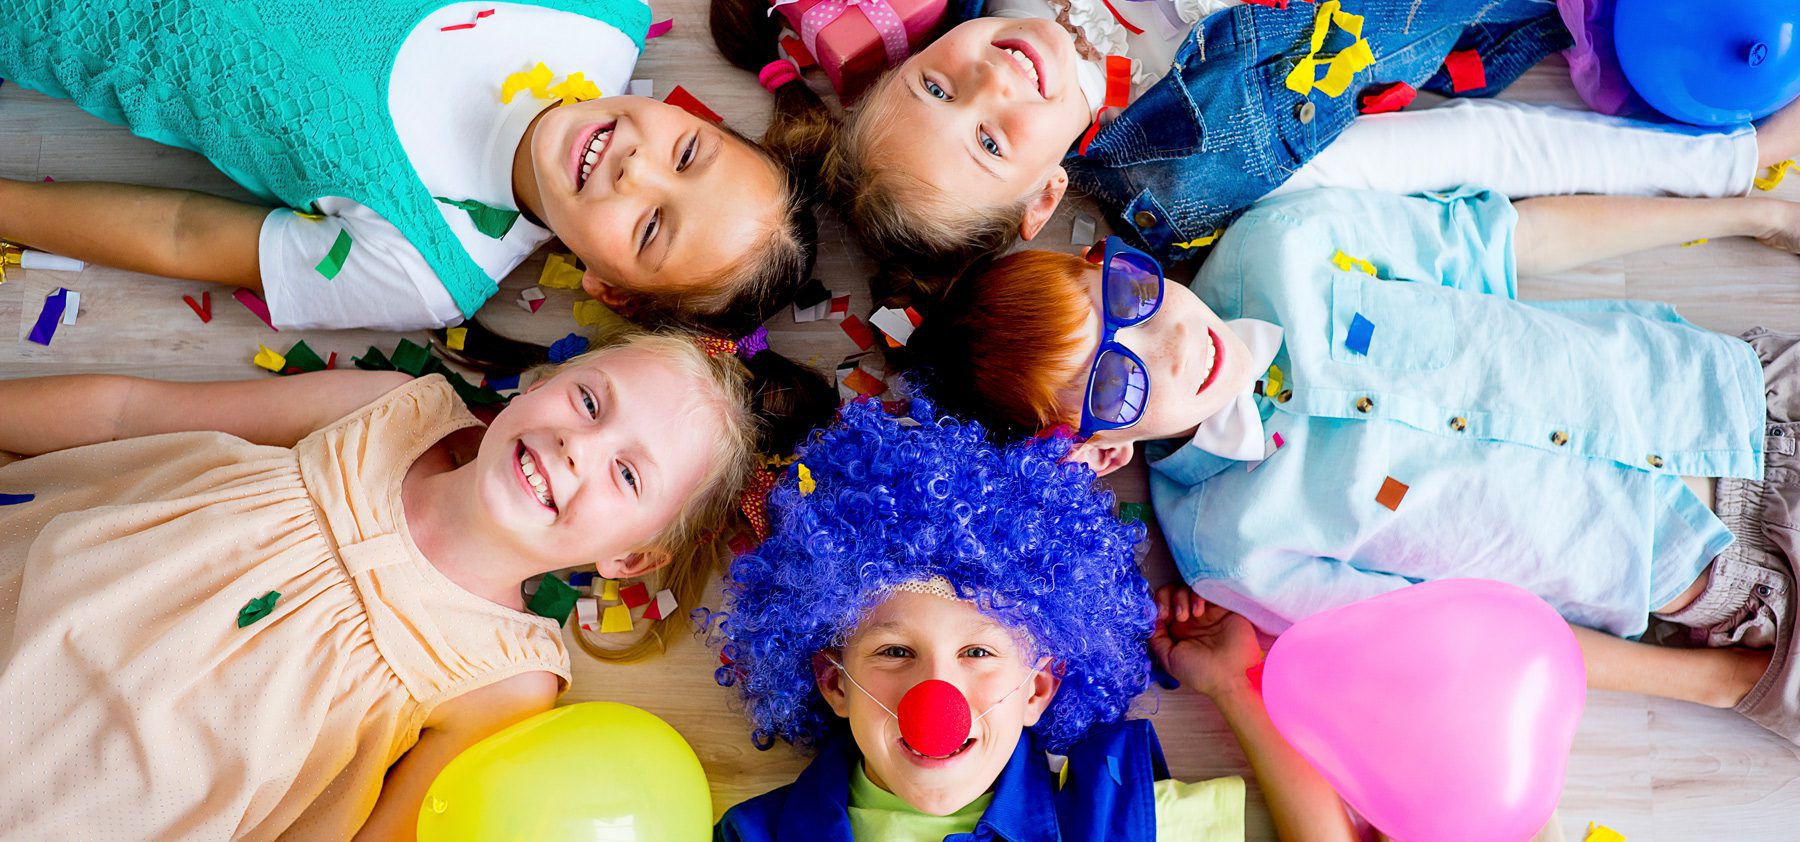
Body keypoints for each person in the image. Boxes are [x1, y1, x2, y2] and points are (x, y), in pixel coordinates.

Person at [902, 187, 1800, 743]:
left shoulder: (1281, 246)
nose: (1171, 340)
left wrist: (1749, 210)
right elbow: (1481, 635)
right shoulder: (1235, 548)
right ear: (1101, 452)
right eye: (1115, 378)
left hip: (1740, 392)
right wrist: (1722, 690)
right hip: (1719, 579)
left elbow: (1508, 243)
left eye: (1128, 298)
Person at [0, 329, 818, 838]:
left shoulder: (510, 676)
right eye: (590, 401)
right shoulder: (390, 412)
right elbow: (132, 412)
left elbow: (383, 832)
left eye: (629, 475)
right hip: (49, 600)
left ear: (632, 560)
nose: (578, 446)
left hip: (132, 798)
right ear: (536, 385)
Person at [711, 0, 1800, 299]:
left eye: (935, 83)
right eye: (991, 138)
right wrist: (1730, 167)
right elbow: (1471, 150)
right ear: (1043, 195)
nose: (995, 78)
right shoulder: (1189, 178)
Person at [710, 399, 1358, 841]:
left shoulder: (1109, 820)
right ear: (833, 683)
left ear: (1039, 689)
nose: (938, 697)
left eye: (980, 654)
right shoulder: (755, 835)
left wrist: (1231, 687)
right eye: (894, 653)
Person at [0, 0, 817, 334]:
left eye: (649, 227)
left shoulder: (432, 268)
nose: (638, 167)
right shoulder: (593, 18)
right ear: (692, 115)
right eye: (687, 153)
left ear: (605, 285)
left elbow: (184, 233)